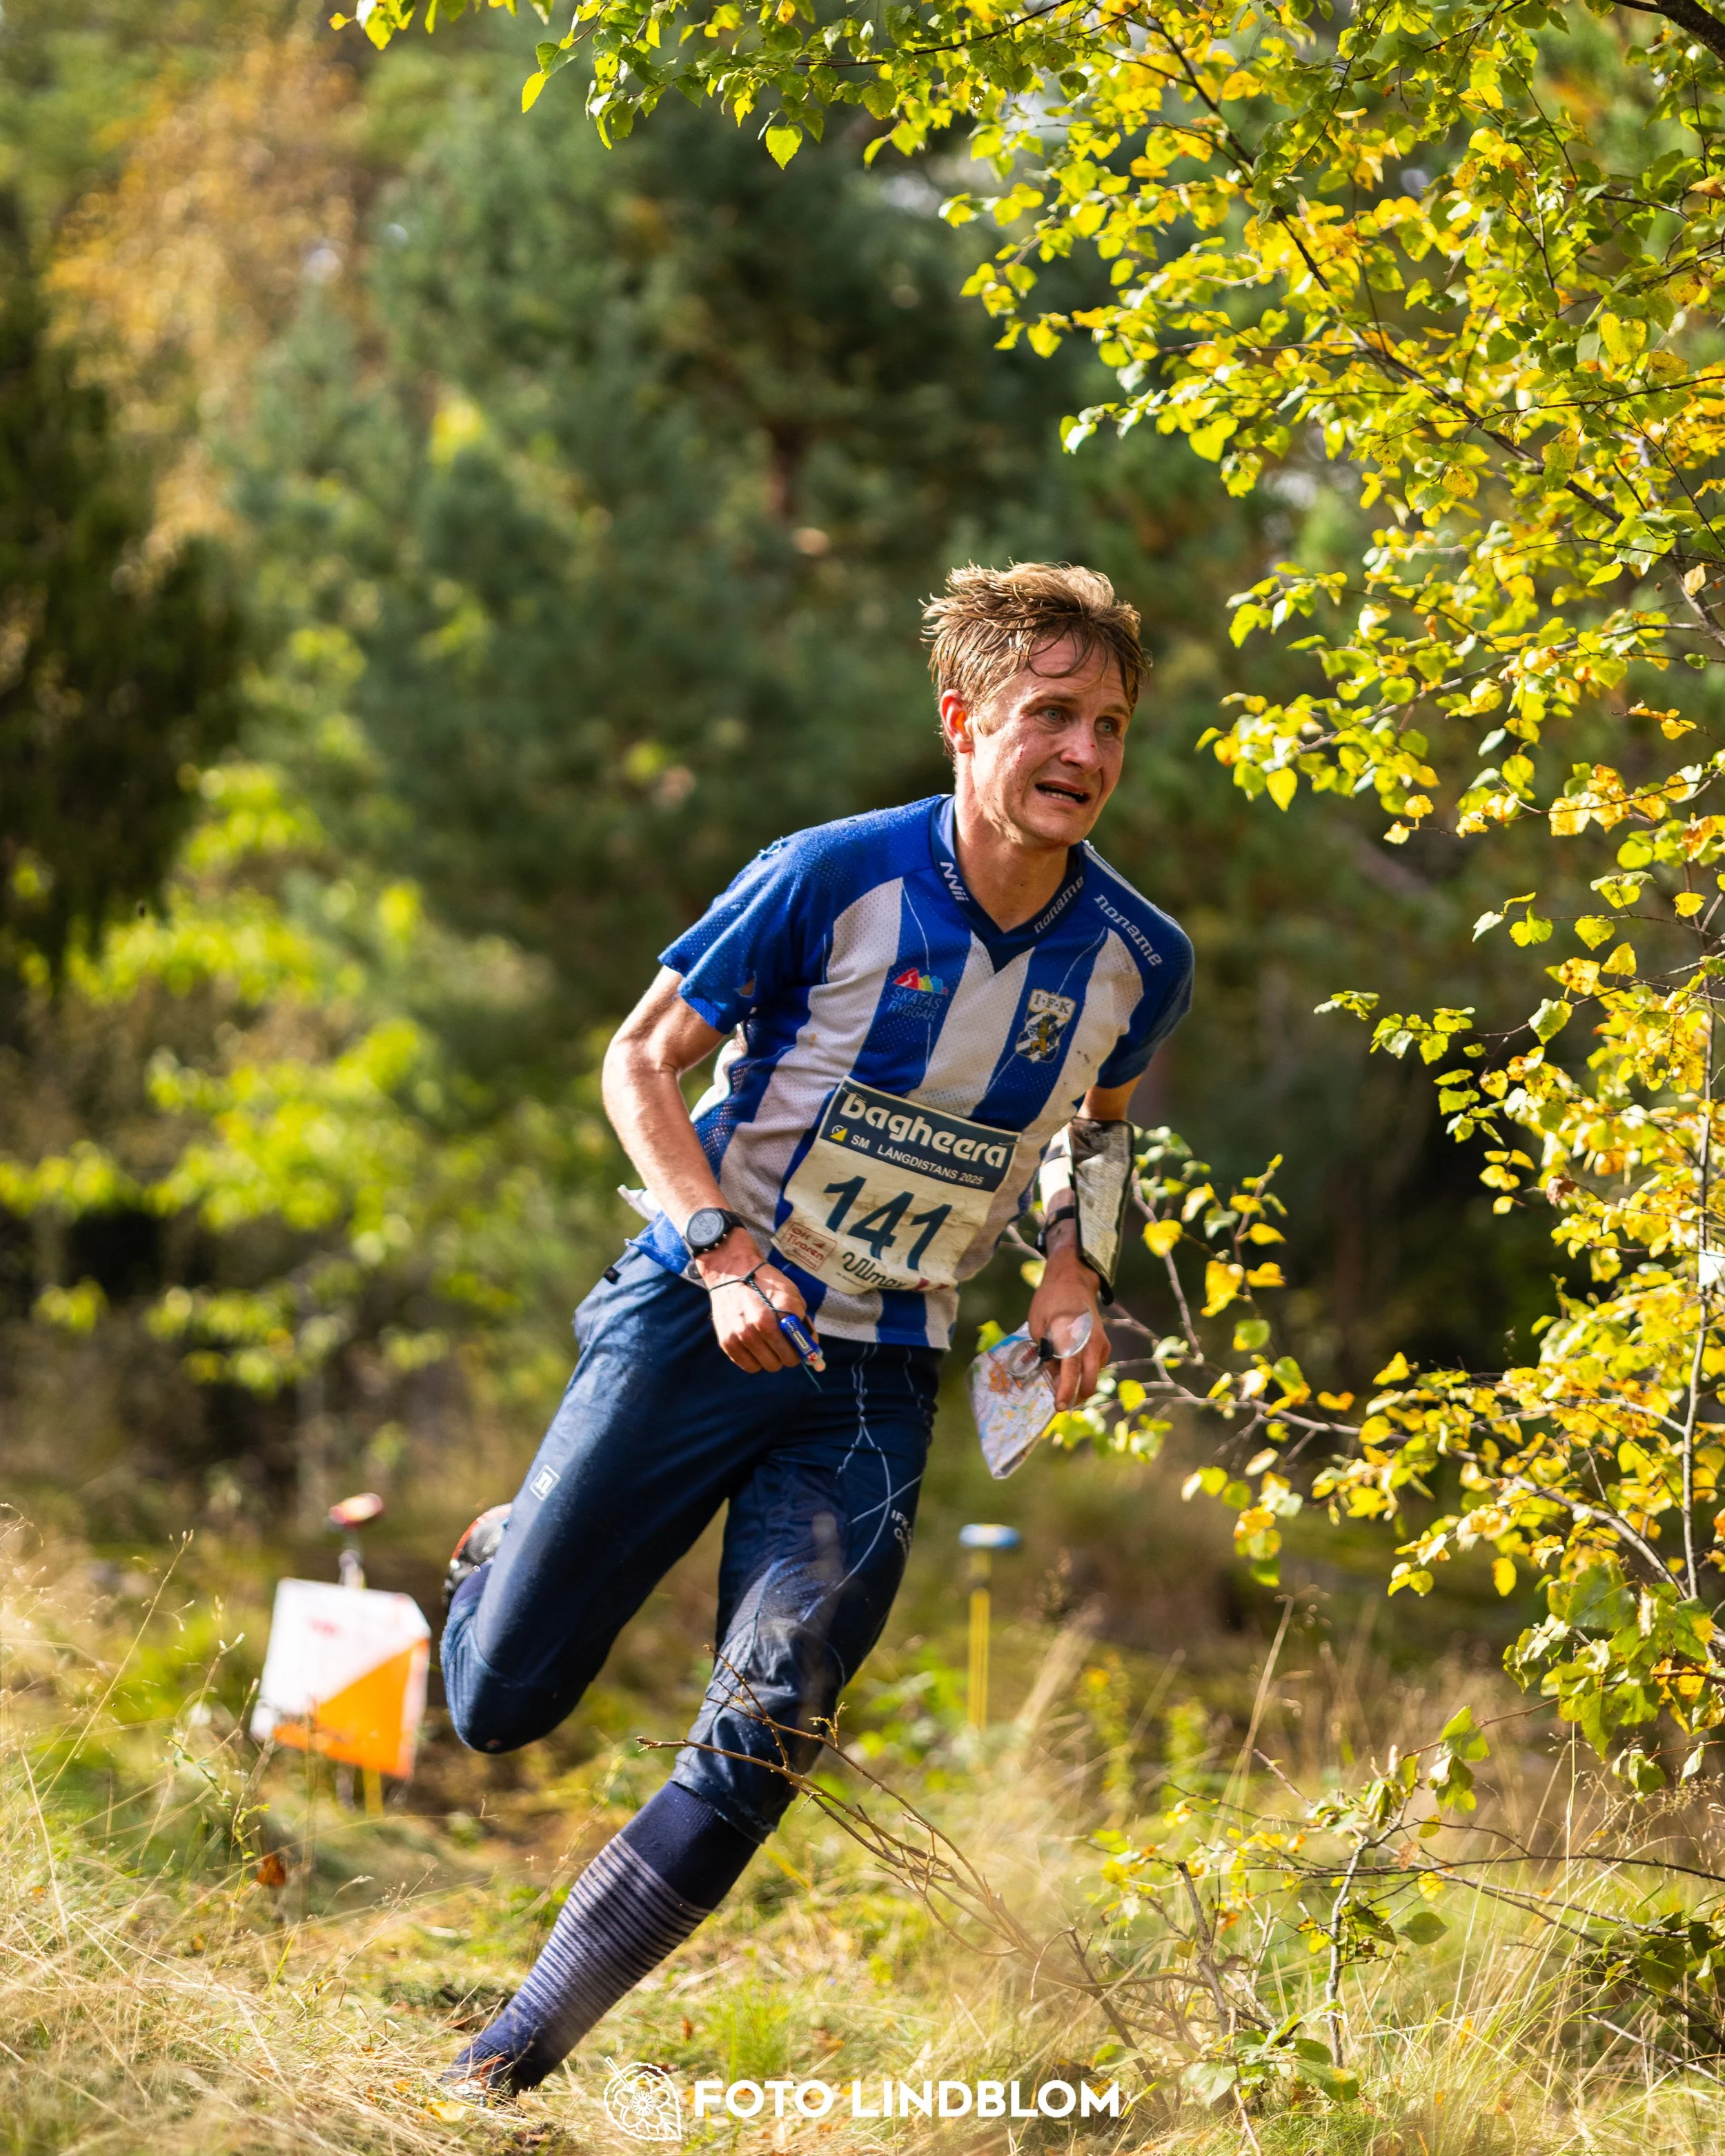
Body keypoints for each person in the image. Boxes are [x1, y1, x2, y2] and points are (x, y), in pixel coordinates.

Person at [437, 562, 1193, 2097]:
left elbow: (1094, 1132)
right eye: (1050, 714)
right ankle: (504, 1553)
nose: (1084, 754)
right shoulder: (828, 874)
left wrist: (1070, 1267)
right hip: (699, 1318)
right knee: (499, 1703)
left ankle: (512, 2053)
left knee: (775, 1713)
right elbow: (641, 1061)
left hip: (881, 1367)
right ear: (961, 716)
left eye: (1109, 724)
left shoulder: (1133, 955)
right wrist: (718, 1250)